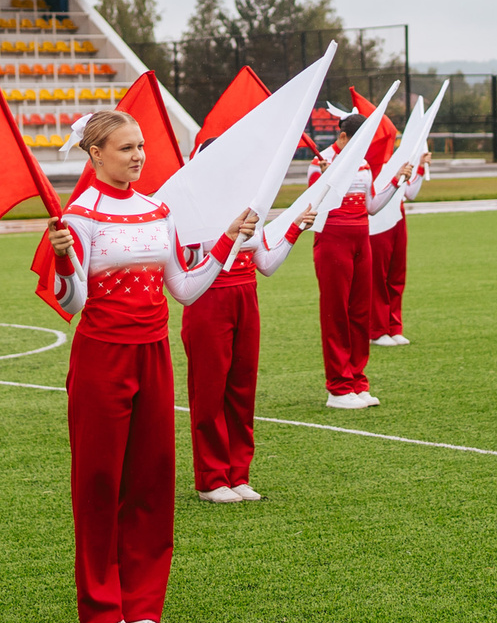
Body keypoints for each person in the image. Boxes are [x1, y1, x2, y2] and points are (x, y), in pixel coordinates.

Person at [46, 110, 255, 623]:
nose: (138, 156)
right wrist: (64, 261)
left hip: (155, 353)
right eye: (126, 148)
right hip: (102, 358)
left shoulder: (158, 209)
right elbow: (72, 302)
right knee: (100, 483)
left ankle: (142, 606)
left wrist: (227, 241)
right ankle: (102, 614)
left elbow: (183, 289)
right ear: (95, 155)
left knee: (152, 480)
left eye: (140, 146)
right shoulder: (80, 216)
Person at [183, 177, 314, 504]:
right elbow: (188, 264)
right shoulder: (192, 210)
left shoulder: (250, 208)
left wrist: (295, 228)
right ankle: (211, 478)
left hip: (246, 296)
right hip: (207, 299)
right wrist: (222, 236)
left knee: (242, 389)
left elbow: (265, 263)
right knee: (210, 391)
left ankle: (238, 474)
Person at [298, 113, 405, 410]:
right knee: (336, 313)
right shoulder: (319, 163)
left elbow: (372, 206)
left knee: (360, 312)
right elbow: (313, 208)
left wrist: (396, 181)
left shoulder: (364, 164)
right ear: (343, 137)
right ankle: (338, 387)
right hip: (333, 241)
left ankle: (358, 381)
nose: (361, 150)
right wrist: (327, 179)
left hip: (362, 239)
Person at [369, 150, 427, 348]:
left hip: (398, 215)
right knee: (378, 276)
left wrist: (420, 167)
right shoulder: (370, 161)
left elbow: (410, 193)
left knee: (397, 274)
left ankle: (394, 327)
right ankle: (377, 330)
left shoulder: (397, 159)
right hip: (378, 217)